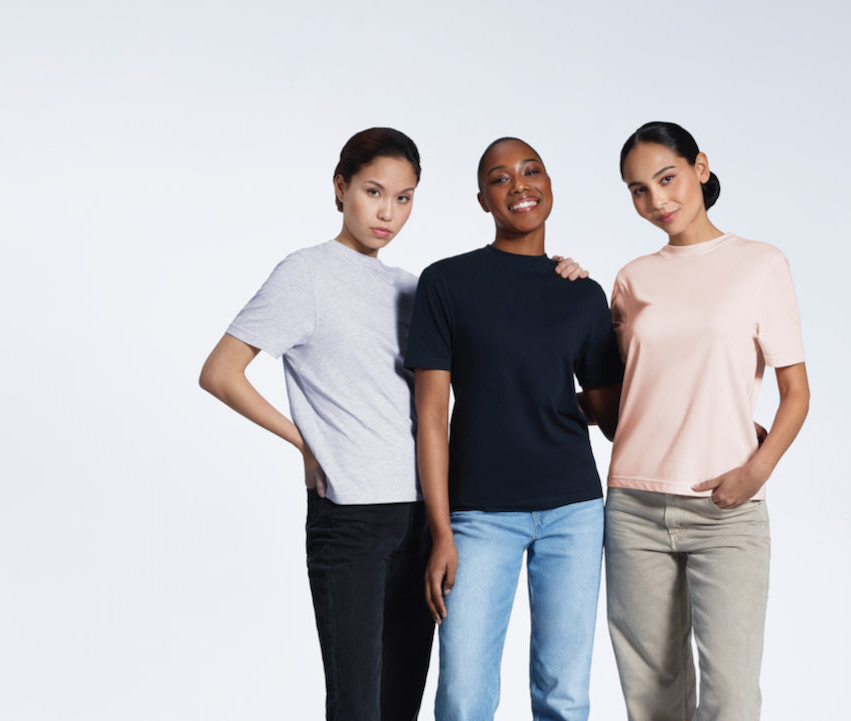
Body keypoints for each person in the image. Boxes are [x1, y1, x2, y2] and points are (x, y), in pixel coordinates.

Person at [197, 128, 589, 721]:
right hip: (351, 517)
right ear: (340, 188)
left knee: (402, 702)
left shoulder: (413, 286)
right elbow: (221, 373)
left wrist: (552, 281)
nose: (387, 212)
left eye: (404, 198)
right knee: (358, 705)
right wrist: (306, 445)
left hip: (422, 515)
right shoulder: (305, 273)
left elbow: (494, 372)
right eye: (374, 192)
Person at [405, 137, 623, 721]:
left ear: (550, 184)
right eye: (500, 178)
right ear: (482, 199)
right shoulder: (446, 282)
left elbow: (610, 415)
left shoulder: (580, 292)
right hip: (477, 515)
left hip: (574, 511)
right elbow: (430, 415)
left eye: (531, 171)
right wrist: (441, 531)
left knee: (564, 695)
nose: (519, 185)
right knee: (463, 696)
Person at [605, 121, 811, 721]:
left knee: (731, 698)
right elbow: (625, 398)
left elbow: (795, 393)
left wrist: (755, 471)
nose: (657, 201)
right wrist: (561, 282)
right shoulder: (632, 279)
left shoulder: (759, 264)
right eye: (638, 190)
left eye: (666, 179)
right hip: (634, 507)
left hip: (725, 509)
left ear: (700, 167)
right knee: (651, 699)